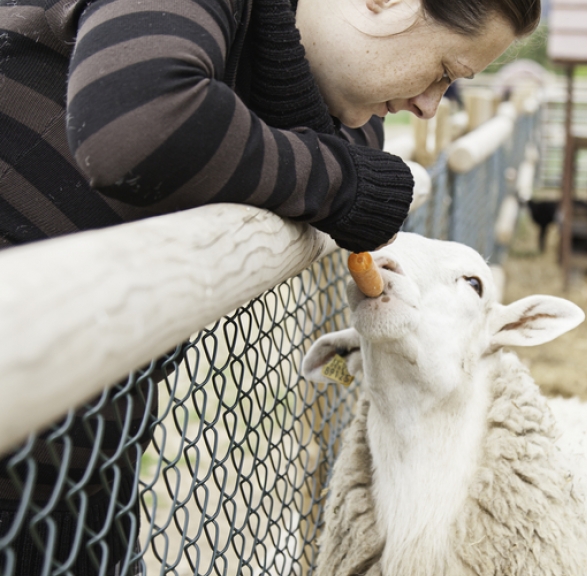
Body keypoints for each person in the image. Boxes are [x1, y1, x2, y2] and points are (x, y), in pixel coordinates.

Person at [0, 0, 541, 571]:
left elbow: (359, 144)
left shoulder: (265, 41)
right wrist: (345, 185)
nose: (430, 106)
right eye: (444, 72)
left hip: (80, 454)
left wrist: (329, 145)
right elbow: (138, 125)